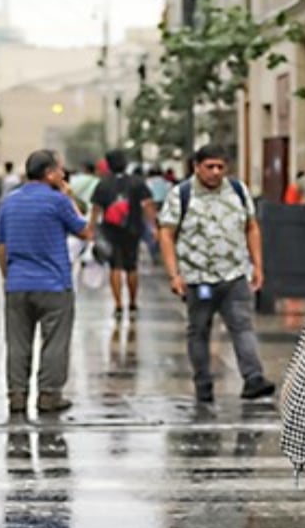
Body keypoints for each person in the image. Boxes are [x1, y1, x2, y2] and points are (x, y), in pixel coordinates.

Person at [158, 144, 276, 404]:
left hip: (233, 275)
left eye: (220, 167)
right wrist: (174, 274)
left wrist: (257, 265)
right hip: (197, 278)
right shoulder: (182, 195)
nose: (215, 172)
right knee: (199, 331)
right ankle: (203, 383)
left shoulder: (237, 190)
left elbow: (251, 227)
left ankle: (253, 378)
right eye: (209, 167)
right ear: (196, 167)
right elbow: (166, 234)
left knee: (243, 327)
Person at [0, 150, 96, 415]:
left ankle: (17, 395)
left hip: (17, 284)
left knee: (17, 343)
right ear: (49, 173)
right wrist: (69, 196)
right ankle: (49, 395)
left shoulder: (9, 202)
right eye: (60, 170)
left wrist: (9, 276)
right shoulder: (57, 201)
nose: (64, 175)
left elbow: (1, 246)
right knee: (55, 342)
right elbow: (85, 231)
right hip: (54, 284)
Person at [91, 149, 157, 318]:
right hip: (133, 229)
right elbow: (148, 205)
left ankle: (118, 305)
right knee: (132, 267)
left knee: (115, 267)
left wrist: (91, 229)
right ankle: (133, 303)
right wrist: (155, 226)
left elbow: (96, 209)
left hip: (111, 230)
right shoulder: (137, 182)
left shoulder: (103, 184)